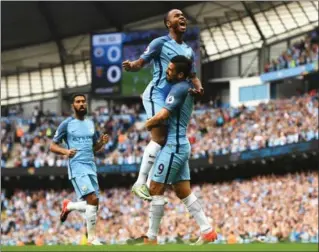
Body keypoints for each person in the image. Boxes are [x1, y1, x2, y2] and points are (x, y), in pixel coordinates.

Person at [123, 9, 204, 200]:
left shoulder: (188, 50)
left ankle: (151, 182)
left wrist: (199, 88)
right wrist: (132, 66)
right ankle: (140, 183)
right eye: (177, 16)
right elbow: (141, 62)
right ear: (169, 24)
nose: (182, 17)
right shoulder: (160, 43)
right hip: (156, 94)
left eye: (183, 15)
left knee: (166, 140)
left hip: (170, 99)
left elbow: (192, 76)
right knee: (159, 138)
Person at [143, 55, 217, 245]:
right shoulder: (184, 86)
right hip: (180, 144)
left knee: (155, 187)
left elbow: (163, 115)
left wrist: (148, 123)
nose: (167, 71)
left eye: (170, 69)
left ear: (180, 74)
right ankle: (207, 230)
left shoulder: (180, 88)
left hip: (174, 146)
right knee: (183, 190)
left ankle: (151, 238)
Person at [49, 94, 109, 245]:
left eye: (83, 101)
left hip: (91, 166)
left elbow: (94, 148)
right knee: (92, 200)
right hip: (77, 166)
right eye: (78, 102)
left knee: (95, 205)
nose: (81, 104)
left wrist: (101, 143)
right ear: (73, 105)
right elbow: (52, 146)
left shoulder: (90, 124)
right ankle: (92, 239)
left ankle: (69, 206)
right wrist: (65, 152)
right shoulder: (67, 124)